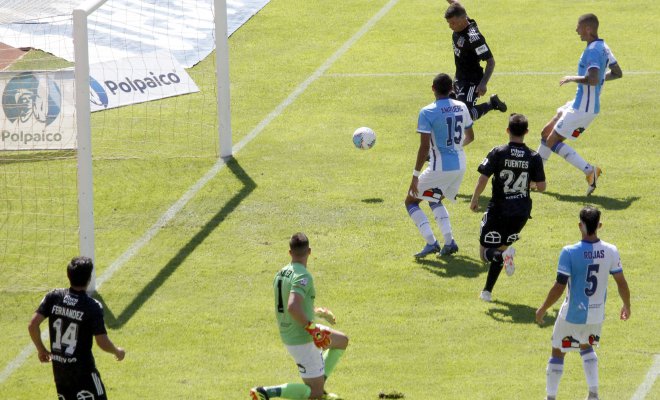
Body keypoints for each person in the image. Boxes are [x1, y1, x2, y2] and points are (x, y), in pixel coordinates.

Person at [536, 206, 631, 400]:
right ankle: (594, 394)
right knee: (587, 346)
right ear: (600, 225)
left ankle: (550, 398)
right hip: (596, 315)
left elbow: (559, 286)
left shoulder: (569, 252)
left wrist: (543, 308)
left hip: (572, 314)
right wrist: (627, 305)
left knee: (558, 350)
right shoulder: (610, 251)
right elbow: (621, 283)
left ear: (580, 226)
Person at [250, 233, 349, 400]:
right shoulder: (303, 275)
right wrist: (313, 329)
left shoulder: (281, 273)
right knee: (313, 394)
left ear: (290, 252)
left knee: (342, 341)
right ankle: (266, 392)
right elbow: (293, 306)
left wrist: (319, 312)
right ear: (309, 251)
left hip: (292, 331)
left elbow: (290, 305)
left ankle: (319, 386)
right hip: (302, 337)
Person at [536, 13, 623, 196]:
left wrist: (571, 78)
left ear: (588, 29)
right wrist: (599, 79)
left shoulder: (592, 51)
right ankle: (535, 179)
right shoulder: (603, 46)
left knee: (552, 140)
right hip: (578, 102)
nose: (576, 30)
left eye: (579, 27)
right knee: (545, 132)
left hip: (583, 108)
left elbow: (592, 79)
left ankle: (590, 171)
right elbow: (617, 72)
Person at [469, 113, 546, 302]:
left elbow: (483, 178)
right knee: (501, 250)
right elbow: (542, 186)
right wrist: (528, 184)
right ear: (526, 132)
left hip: (499, 210)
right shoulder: (533, 157)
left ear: (507, 130)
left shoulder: (498, 152)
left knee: (485, 253)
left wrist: (475, 198)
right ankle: (487, 291)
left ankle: (500, 261)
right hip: (520, 212)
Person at [28, 256, 125, 400]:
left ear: (69, 275)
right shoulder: (92, 306)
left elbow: (32, 325)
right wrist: (117, 351)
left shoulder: (53, 297)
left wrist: (41, 350)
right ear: (89, 278)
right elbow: (101, 341)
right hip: (84, 373)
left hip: (61, 373)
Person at [405, 72, 474, 258]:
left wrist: (414, 176)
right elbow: (471, 137)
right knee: (434, 198)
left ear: (433, 89)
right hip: (460, 165)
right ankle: (449, 242)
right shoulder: (461, 106)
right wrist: (455, 146)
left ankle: (431, 243)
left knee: (411, 201)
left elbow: (424, 147)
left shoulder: (428, 111)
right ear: (452, 88)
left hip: (440, 167)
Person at [444, 0, 508, 122]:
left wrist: (483, 83)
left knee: (464, 116)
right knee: (451, 110)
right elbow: (456, 4)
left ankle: (492, 104)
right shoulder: (462, 18)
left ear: (462, 20)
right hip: (459, 76)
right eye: (448, 23)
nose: (450, 26)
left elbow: (490, 61)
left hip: (471, 81)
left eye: (453, 23)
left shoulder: (474, 38)